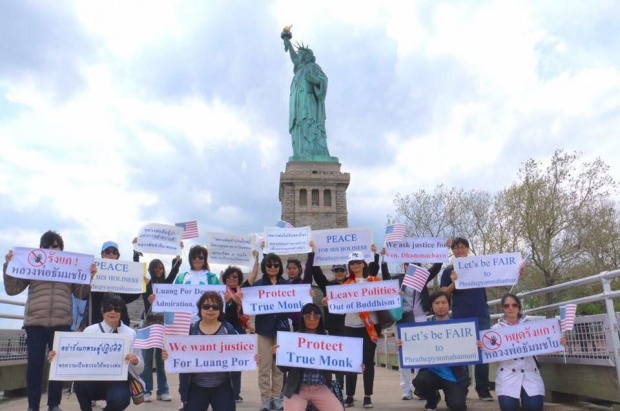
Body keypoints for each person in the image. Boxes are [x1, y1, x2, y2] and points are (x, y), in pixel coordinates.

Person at [3, 230, 97, 411]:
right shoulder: (32, 265)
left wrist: (89, 277)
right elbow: (12, 289)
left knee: (57, 366)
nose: (51, 250)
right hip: (35, 322)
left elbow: (81, 293)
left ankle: (54, 404)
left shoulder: (71, 267)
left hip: (62, 322)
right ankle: (33, 406)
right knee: (34, 364)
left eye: (55, 246)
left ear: (62, 249)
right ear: (41, 248)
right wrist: (8, 267)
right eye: (46, 246)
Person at [480, 293, 566, 411]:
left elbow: (547, 344)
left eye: (514, 305)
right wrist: (482, 346)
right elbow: (490, 352)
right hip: (507, 375)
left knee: (534, 407)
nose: (510, 308)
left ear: (519, 307)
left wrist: (558, 342)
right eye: (507, 306)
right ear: (503, 308)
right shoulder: (495, 330)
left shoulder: (532, 326)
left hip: (530, 373)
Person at [163, 291, 237, 411]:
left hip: (222, 385)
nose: (210, 309)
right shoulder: (190, 331)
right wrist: (169, 355)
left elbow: (244, 352)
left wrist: (252, 357)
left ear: (220, 310)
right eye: (206, 306)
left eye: (215, 306)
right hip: (196, 385)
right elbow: (178, 354)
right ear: (200, 309)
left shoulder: (228, 329)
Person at [439, 237, 493, 402]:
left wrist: (515, 272)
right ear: (453, 251)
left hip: (481, 313)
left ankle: (483, 388)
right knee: (462, 353)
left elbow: (498, 278)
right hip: (461, 315)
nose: (460, 250)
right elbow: (444, 294)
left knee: (483, 352)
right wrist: (454, 282)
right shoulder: (448, 271)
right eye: (457, 248)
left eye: (463, 247)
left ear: (468, 249)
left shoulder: (478, 265)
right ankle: (462, 387)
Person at [72, 293, 144, 411]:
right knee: (80, 384)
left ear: (122, 312)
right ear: (102, 310)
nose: (113, 312)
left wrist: (136, 361)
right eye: (109, 308)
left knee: (120, 399)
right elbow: (77, 358)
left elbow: (140, 369)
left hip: (119, 380)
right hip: (93, 379)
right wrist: (58, 357)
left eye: (117, 309)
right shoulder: (90, 331)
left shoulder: (131, 334)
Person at [172, 245, 219, 409]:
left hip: (207, 326)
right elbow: (170, 297)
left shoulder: (212, 277)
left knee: (204, 362)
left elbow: (220, 302)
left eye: (201, 256)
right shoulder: (182, 276)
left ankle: (206, 397)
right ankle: (184, 398)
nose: (197, 259)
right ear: (190, 258)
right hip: (185, 325)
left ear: (205, 259)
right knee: (184, 363)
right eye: (194, 256)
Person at [274, 303, 343, 410]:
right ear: (302, 318)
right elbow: (284, 369)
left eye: (316, 316)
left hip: (320, 388)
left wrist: (356, 366)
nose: (312, 319)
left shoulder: (328, 341)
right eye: (307, 316)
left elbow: (336, 367)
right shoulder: (293, 339)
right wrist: (276, 355)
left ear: (320, 319)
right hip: (297, 389)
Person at [280, 26, 334, 161]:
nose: (300, 57)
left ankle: (315, 152)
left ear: (308, 57)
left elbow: (324, 80)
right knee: (300, 127)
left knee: (309, 126)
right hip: (298, 105)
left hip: (309, 105)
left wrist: (314, 80)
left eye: (302, 55)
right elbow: (294, 58)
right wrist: (288, 42)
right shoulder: (300, 69)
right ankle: (302, 152)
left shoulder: (312, 67)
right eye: (300, 55)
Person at [411, 291, 469, 411]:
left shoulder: (461, 327)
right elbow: (414, 348)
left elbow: (469, 348)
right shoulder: (422, 329)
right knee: (420, 381)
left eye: (444, 302)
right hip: (433, 372)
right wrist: (403, 345)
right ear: (432, 306)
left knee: (458, 406)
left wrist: (476, 345)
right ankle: (433, 399)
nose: (441, 306)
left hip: (453, 375)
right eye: (437, 303)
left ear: (449, 305)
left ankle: (451, 397)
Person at [340, 250, 382, 409]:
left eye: (358, 262)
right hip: (350, 325)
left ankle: (367, 396)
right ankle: (350, 395)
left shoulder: (374, 281)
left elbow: (386, 296)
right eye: (352, 263)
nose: (355, 265)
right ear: (349, 266)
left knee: (368, 361)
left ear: (364, 264)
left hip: (369, 326)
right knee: (351, 362)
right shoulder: (345, 285)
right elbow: (337, 303)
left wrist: (394, 294)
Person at [249, 252, 291, 411]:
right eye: (269, 265)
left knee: (279, 367)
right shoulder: (258, 285)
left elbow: (296, 304)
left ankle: (277, 398)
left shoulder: (287, 286)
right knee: (265, 366)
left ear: (280, 267)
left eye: (276, 265)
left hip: (282, 329)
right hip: (264, 329)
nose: (273, 268)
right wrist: (255, 260)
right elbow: (247, 292)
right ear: (264, 267)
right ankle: (266, 399)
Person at [140, 250, 182, 403]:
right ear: (151, 270)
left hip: (162, 323)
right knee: (147, 358)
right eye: (155, 268)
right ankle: (146, 390)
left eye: (161, 268)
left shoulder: (166, 284)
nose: (159, 271)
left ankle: (163, 390)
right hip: (148, 322)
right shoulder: (147, 284)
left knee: (161, 359)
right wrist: (135, 254)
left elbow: (174, 273)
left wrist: (177, 260)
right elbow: (136, 270)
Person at [87, 241, 141, 327]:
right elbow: (83, 295)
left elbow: (131, 296)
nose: (111, 254)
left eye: (114, 252)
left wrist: (141, 285)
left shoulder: (123, 276)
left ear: (117, 256)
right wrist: (89, 278)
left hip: (120, 322)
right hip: (97, 321)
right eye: (108, 251)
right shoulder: (92, 271)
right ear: (102, 254)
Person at [222, 265, 253, 403]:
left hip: (239, 328)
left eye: (234, 276)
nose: (231, 279)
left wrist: (257, 260)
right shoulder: (221, 291)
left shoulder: (243, 291)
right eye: (228, 276)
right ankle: (221, 392)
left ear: (239, 278)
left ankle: (235, 393)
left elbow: (253, 277)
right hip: (223, 329)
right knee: (223, 362)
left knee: (236, 363)